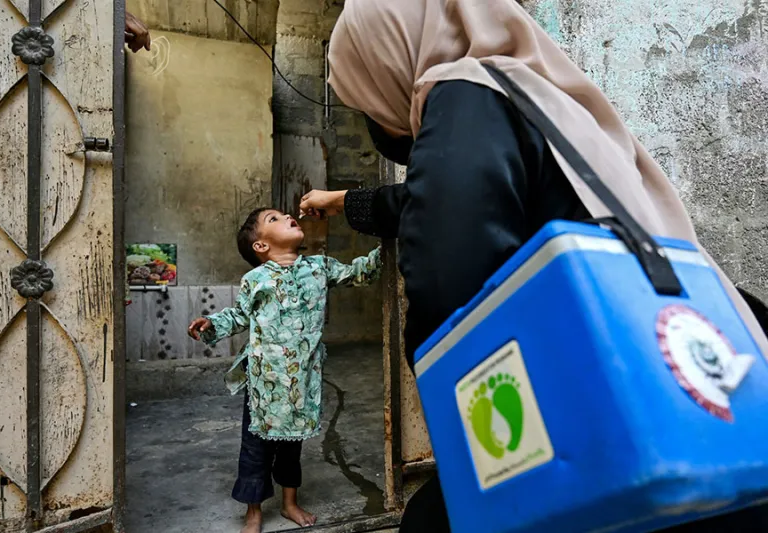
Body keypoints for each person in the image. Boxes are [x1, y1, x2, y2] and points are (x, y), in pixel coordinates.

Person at [299, 0, 768, 531]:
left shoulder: (462, 95)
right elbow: (440, 199)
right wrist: (350, 202)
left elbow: (453, 303)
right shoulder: (540, 93)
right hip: (701, 402)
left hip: (614, 436)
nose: (373, 116)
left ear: (388, 54)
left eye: (363, 95)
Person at [187, 208, 381, 533]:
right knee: (255, 449)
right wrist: (212, 323)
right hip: (265, 381)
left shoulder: (319, 267)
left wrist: (390, 243)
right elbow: (239, 316)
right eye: (273, 219)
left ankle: (290, 503)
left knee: (292, 447)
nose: (288, 216)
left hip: (302, 379)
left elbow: (359, 272)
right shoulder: (255, 280)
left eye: (284, 215)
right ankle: (253, 511)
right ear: (261, 246)